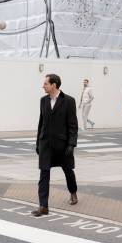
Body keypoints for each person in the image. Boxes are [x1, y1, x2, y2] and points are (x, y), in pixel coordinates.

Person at [33, 74, 78, 217]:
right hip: (46, 144)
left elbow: (73, 126)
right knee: (44, 174)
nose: (43, 86)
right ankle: (43, 206)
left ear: (54, 85)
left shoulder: (69, 101)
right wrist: (38, 142)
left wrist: (71, 144)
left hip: (62, 145)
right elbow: (41, 123)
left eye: (46, 83)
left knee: (68, 171)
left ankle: (73, 192)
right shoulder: (43, 101)